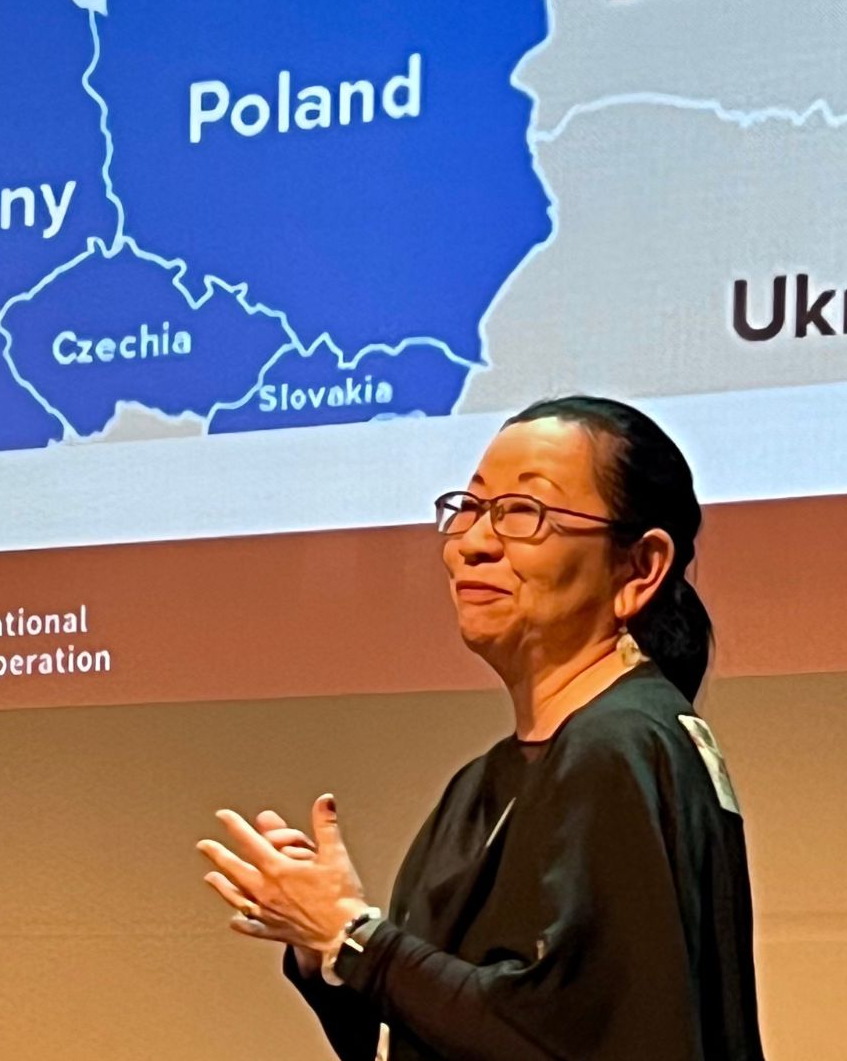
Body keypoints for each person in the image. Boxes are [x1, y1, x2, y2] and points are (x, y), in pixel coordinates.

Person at [197, 397, 763, 1060]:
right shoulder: (487, 781)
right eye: (468, 508)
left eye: (524, 514)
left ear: (638, 568)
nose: (472, 544)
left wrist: (357, 941)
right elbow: (443, 1032)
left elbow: (573, 1039)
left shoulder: (618, 746)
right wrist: (326, 944)